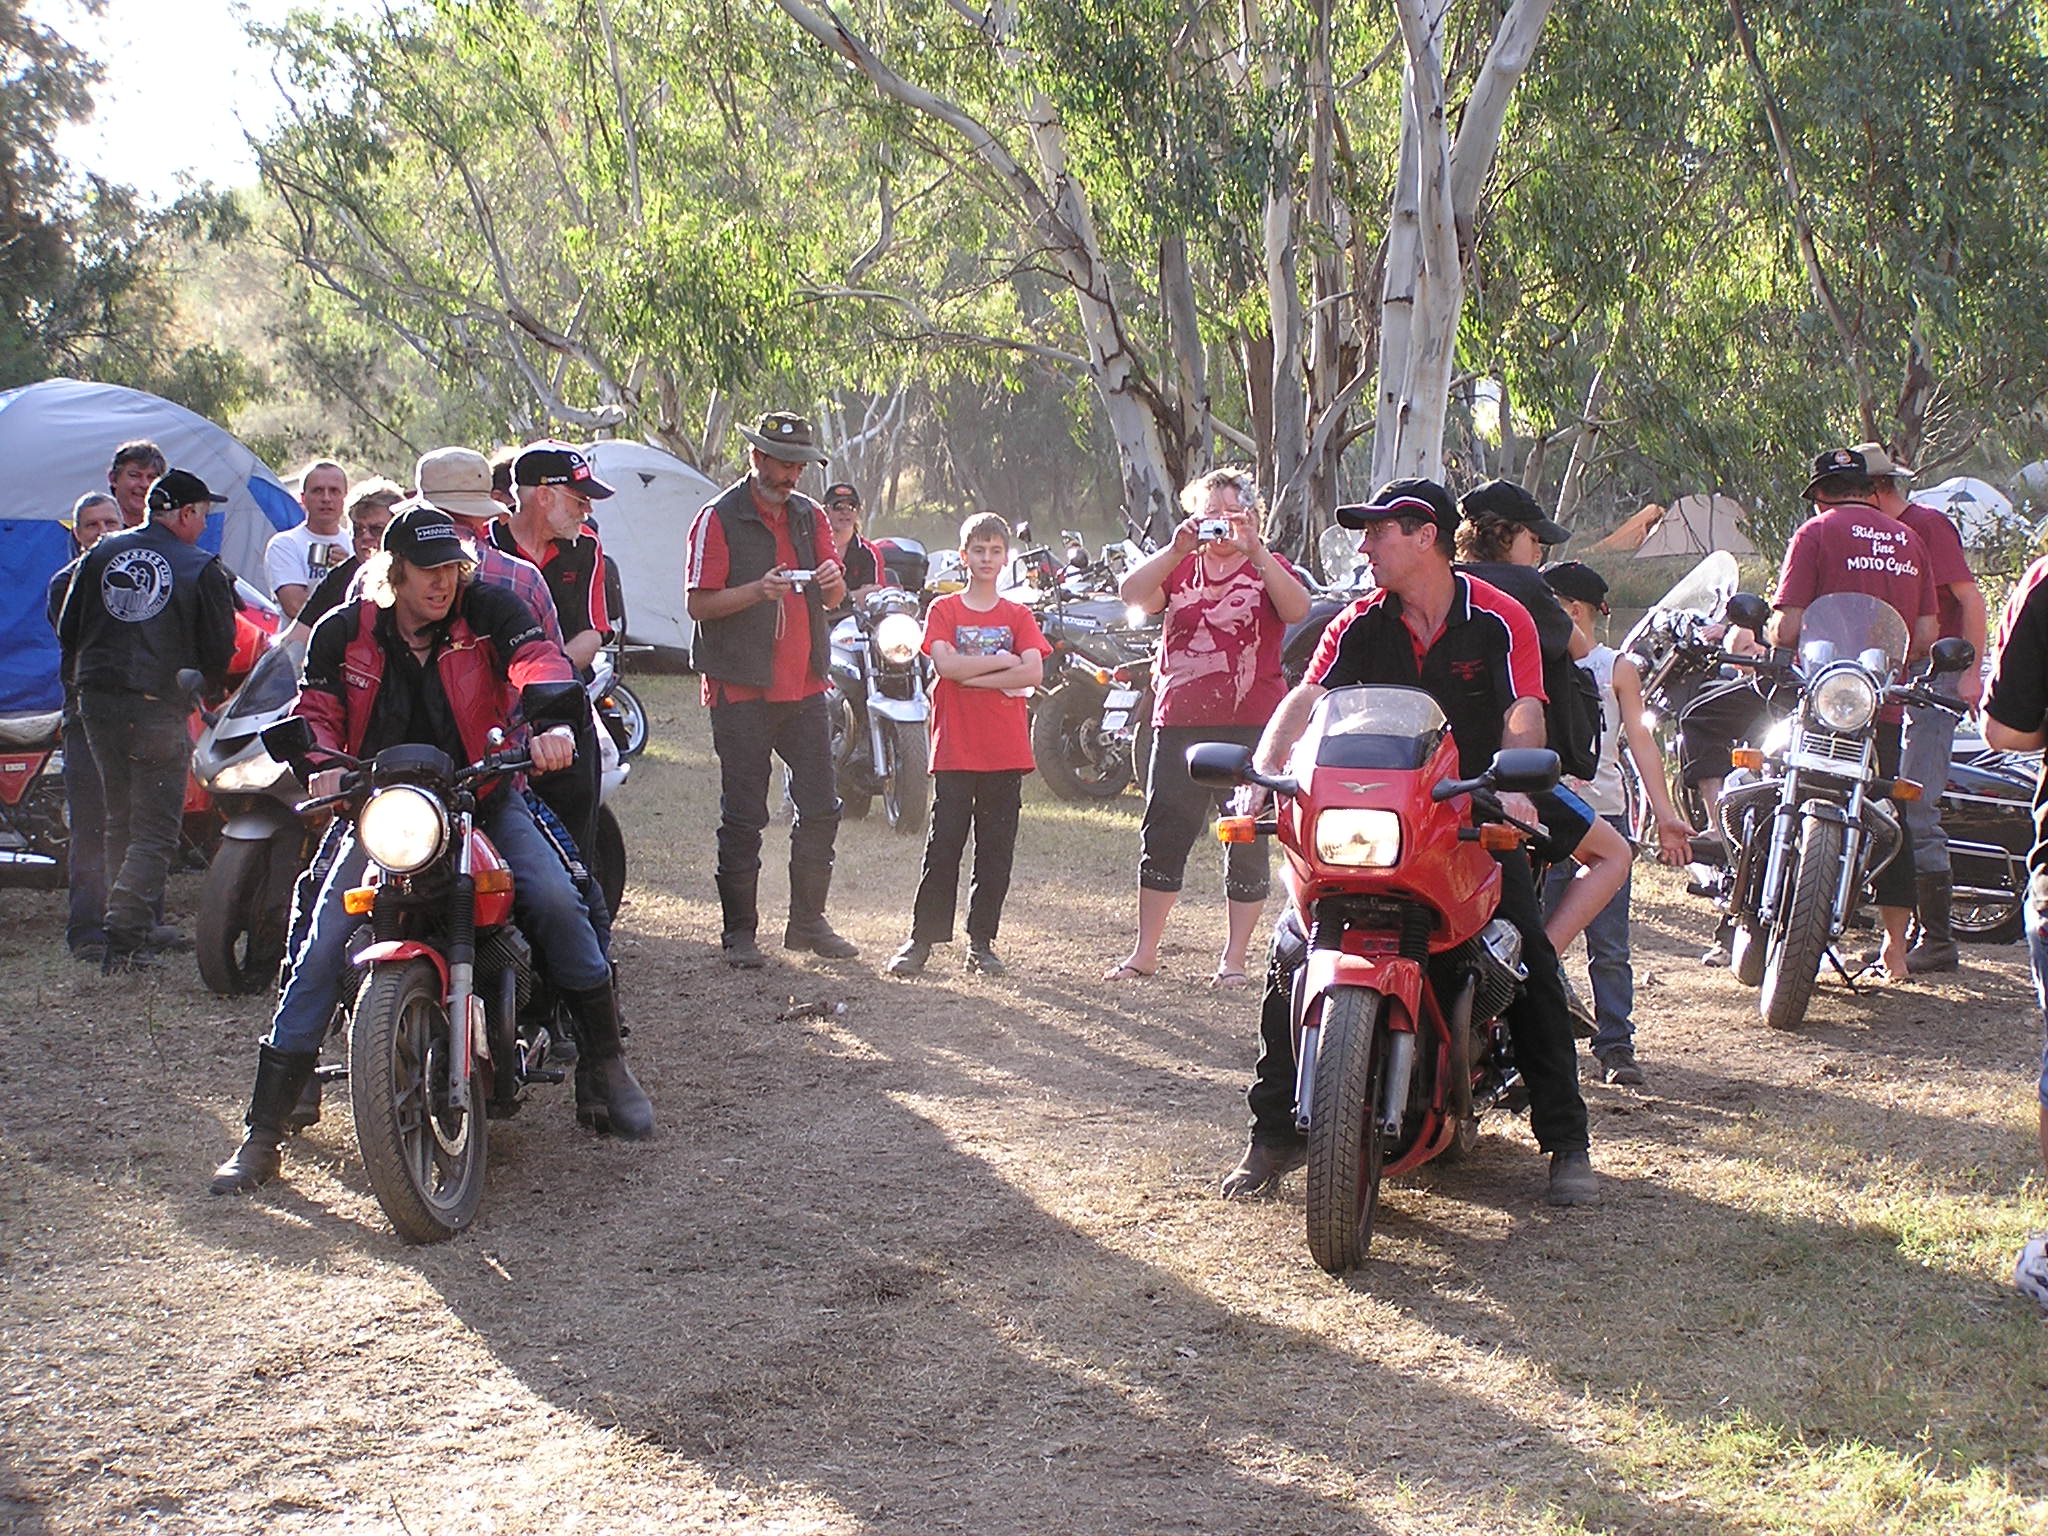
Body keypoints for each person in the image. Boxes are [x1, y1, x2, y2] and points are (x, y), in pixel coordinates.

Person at [208, 505, 654, 1197]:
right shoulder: (342, 630)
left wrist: (548, 722)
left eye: (451, 567)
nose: (443, 582)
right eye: (427, 570)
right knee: (321, 940)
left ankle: (606, 1064)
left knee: (557, 898)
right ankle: (263, 1130)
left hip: (484, 794)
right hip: (383, 806)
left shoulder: (492, 611)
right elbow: (316, 709)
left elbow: (537, 660)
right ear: (395, 573)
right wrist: (321, 766)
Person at [1219, 477, 1600, 1208]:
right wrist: (1262, 775)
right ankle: (1273, 1134)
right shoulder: (1357, 621)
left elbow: (1523, 708)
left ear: (1426, 537)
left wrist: (1515, 781)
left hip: (1473, 803)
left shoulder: (1501, 618)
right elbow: (1307, 698)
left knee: (1527, 954)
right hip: (1379, 809)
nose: (1365, 548)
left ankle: (1565, 1140)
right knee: (1292, 948)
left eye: (1378, 533)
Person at [1104, 466, 1310, 986]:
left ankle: (1234, 959)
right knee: (1164, 829)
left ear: (1253, 517)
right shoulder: (1179, 566)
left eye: (1232, 514)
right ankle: (1144, 952)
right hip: (1179, 720)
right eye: (1210, 514)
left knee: (1245, 834)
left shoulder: (1269, 567)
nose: (1220, 525)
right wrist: (1175, 549)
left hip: (1252, 726)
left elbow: (1298, 609)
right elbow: (1132, 593)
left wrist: (1256, 552)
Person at [685, 411, 856, 968]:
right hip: (740, 688)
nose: (791, 476)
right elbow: (698, 603)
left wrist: (832, 582)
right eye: (783, 464)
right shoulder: (718, 517)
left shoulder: (810, 516)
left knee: (822, 807)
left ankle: (807, 923)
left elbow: (832, 598)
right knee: (744, 815)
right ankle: (740, 933)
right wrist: (758, 591)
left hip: (804, 686)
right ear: (756, 457)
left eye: (799, 466)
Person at [54, 469, 238, 971]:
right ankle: (125, 936)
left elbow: (68, 627)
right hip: (157, 704)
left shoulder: (100, 554)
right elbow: (220, 646)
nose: (204, 525)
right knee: (155, 829)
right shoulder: (200, 566)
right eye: (202, 515)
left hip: (97, 703)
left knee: (120, 818)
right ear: (185, 513)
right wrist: (205, 689)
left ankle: (123, 927)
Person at [885, 512, 1047, 977]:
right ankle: (922, 939)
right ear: (963, 556)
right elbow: (946, 667)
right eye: (979, 550)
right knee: (944, 846)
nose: (987, 559)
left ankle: (982, 942)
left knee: (995, 850)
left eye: (995, 551)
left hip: (1005, 751)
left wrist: (974, 674)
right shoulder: (945, 611)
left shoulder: (1018, 615)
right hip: (956, 748)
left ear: (1006, 557)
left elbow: (1033, 671)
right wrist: (1002, 664)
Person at [1539, 562, 1657, 1086]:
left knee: (1609, 944)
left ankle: (1616, 1044)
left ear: (1572, 610)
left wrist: (1666, 814)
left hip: (1604, 814)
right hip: (1549, 813)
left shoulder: (1617, 668)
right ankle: (1545, 1036)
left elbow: (1641, 741)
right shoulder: (1537, 662)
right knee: (1544, 932)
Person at [1870, 456, 1987, 973]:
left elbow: (1971, 600)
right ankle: (1898, 934)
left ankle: (1938, 939)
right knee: (1887, 801)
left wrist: (1971, 672)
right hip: (1896, 677)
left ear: (1874, 488)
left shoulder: (1927, 525)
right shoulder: (1876, 538)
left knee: (1917, 803)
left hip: (1937, 676)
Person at [491, 442, 613, 858]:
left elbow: (594, 631)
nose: (587, 511)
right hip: (493, 710)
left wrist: (545, 678)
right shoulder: (486, 545)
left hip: (564, 702)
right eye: (580, 500)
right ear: (544, 496)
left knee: (575, 833)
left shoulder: (587, 545)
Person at [43, 493, 127, 961]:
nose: (102, 532)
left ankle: (138, 923)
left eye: (110, 522)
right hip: (86, 717)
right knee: (91, 827)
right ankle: (87, 930)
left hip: (138, 717)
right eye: (92, 525)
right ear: (77, 534)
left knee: (138, 825)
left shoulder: (146, 575)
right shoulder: (65, 584)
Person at [291, 477, 405, 635]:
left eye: (377, 529)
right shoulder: (339, 576)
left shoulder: (416, 572)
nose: (365, 536)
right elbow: (298, 635)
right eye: (358, 530)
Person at [265, 460, 352, 620]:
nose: (326, 498)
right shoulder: (284, 544)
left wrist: (349, 570)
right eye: (317, 491)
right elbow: (296, 607)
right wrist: (342, 579)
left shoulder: (355, 545)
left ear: (344, 497)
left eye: (334, 491)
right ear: (303, 498)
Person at [822, 482, 887, 610]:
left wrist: (838, 600)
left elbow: (874, 597)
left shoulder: (870, 552)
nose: (845, 512)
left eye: (851, 507)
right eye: (838, 507)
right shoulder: (810, 547)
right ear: (825, 511)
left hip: (855, 620)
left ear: (858, 511)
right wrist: (855, 596)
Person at [106, 440, 166, 528]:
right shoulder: (99, 528)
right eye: (135, 475)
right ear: (113, 479)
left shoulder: (171, 530)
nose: (145, 484)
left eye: (152, 477)